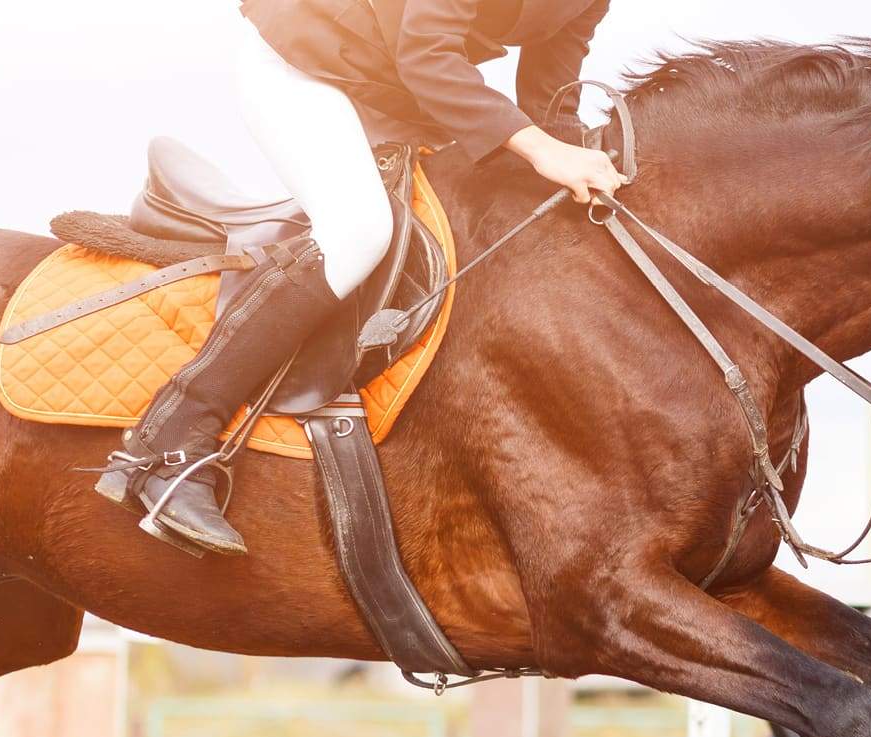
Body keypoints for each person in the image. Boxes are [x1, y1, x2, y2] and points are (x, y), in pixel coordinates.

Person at [102, 0, 625, 556]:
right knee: (358, 232)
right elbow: (427, 54)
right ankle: (165, 443)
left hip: (397, 90)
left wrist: (583, 157)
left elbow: (548, 94)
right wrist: (544, 151)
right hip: (306, 63)